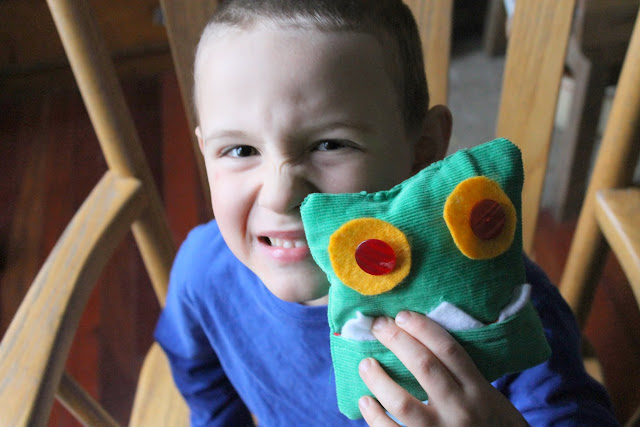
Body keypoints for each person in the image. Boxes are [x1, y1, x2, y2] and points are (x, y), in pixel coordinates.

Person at [154, 1, 619, 425]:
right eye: (240, 150)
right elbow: (197, 371)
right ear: (204, 150)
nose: (279, 195)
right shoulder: (203, 271)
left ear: (423, 150)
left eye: (329, 144)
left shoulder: (498, 304)